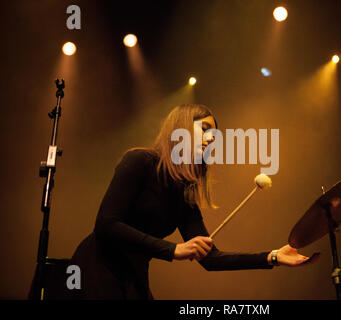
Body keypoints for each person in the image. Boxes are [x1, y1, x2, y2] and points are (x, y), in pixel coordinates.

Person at [67, 104, 318, 300]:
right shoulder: (139, 161)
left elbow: (211, 259)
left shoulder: (184, 194)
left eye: (215, 134)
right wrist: (172, 249)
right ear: (181, 129)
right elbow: (106, 224)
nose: (212, 138)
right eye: (205, 129)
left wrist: (273, 257)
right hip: (95, 269)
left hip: (133, 275)